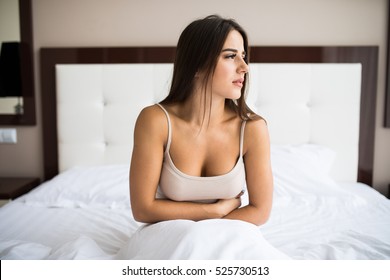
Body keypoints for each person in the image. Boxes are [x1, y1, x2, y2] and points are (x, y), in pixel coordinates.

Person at [118, 15, 288, 259]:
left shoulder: (252, 128)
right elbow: (142, 209)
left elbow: (260, 211)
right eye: (231, 56)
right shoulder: (155, 120)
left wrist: (211, 228)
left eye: (244, 56)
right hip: (168, 238)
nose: (244, 67)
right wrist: (214, 211)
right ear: (197, 65)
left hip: (231, 238)